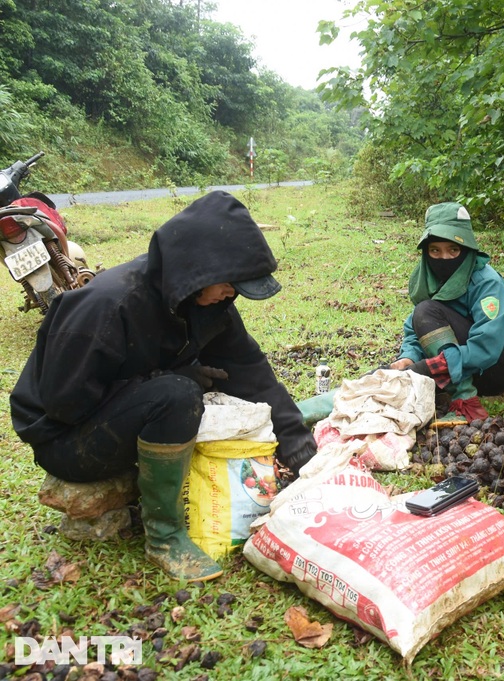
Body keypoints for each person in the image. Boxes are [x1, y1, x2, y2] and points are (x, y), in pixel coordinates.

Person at [10, 191, 316, 582]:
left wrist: (300, 449)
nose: (233, 294)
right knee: (179, 394)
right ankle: (164, 536)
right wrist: (165, 382)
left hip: (121, 412)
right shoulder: (107, 306)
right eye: (231, 284)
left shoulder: (207, 305)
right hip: (65, 439)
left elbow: (248, 368)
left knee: (196, 386)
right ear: (198, 271)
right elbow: (64, 404)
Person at [386, 201, 504, 421]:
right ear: (426, 252)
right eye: (435, 250)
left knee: (426, 310)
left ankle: (466, 403)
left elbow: (487, 346)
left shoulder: (487, 282)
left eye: (453, 250)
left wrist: (438, 365)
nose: (444, 258)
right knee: (393, 378)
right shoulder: (427, 277)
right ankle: (452, 383)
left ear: (467, 249)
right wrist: (409, 358)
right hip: (457, 365)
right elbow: (417, 328)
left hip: (495, 368)